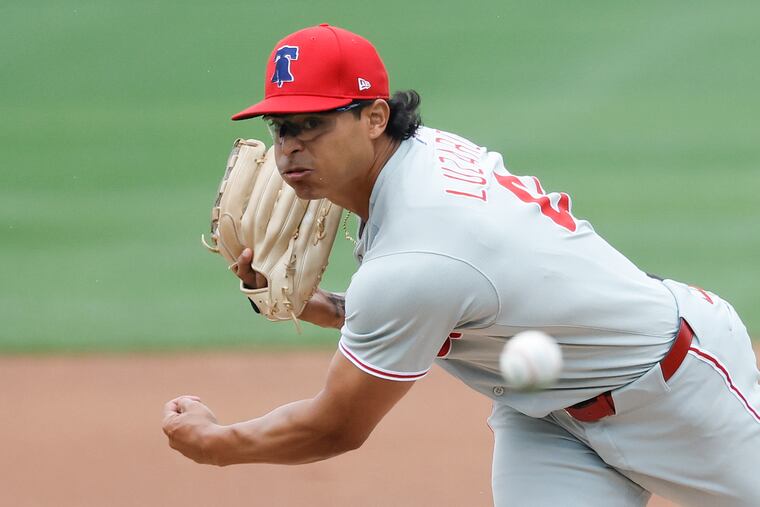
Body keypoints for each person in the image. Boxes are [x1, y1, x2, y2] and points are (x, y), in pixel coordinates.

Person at [162, 24, 760, 506]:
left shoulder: (416, 252)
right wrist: (326, 307)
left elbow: (335, 426)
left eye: (313, 124)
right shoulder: (414, 160)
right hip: (543, 413)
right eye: (282, 127)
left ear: (374, 118)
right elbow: (444, 303)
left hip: (677, 392)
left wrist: (217, 443)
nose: (291, 146)